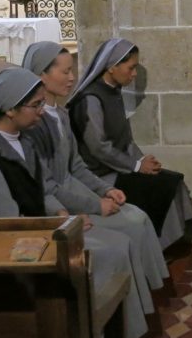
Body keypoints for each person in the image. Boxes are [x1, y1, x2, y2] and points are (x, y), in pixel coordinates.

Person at [0, 67, 157, 338]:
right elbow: (8, 224)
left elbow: (41, 190)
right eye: (35, 105)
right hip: (18, 249)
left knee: (118, 243)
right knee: (109, 252)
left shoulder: (23, 141)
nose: (41, 111)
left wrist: (61, 214)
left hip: (43, 230)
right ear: (10, 110)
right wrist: (62, 223)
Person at [22, 41, 169, 292]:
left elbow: (76, 165)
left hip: (78, 190)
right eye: (65, 72)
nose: (72, 78)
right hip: (64, 205)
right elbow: (49, 185)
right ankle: (131, 308)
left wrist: (104, 190)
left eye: (72, 71)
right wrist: (94, 205)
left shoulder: (61, 114)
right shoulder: (35, 125)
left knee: (139, 217)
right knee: (129, 228)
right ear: (40, 76)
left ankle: (154, 295)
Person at [68, 38, 192, 248]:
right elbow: (99, 147)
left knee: (174, 181)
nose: (134, 74)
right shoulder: (91, 99)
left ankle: (177, 241)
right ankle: (160, 248)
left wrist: (142, 160)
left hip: (120, 167)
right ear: (112, 67)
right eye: (131, 68)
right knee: (159, 188)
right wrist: (137, 167)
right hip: (100, 174)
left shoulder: (114, 92)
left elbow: (125, 139)